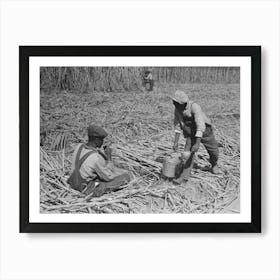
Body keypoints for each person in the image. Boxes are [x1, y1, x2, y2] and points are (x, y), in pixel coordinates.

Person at [67, 124, 131, 197]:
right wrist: (109, 158)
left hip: (73, 182)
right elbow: (108, 177)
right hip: (85, 188)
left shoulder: (79, 146)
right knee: (125, 177)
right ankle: (96, 191)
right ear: (97, 140)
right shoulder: (96, 157)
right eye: (102, 139)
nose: (102, 142)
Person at [171, 90, 220, 184]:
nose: (174, 104)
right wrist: (176, 142)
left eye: (175, 103)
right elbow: (177, 125)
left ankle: (214, 164)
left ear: (183, 103)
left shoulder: (194, 107)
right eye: (173, 102)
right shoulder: (177, 109)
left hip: (204, 131)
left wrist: (197, 143)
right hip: (190, 132)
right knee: (187, 154)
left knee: (214, 151)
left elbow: (200, 126)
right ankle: (183, 176)